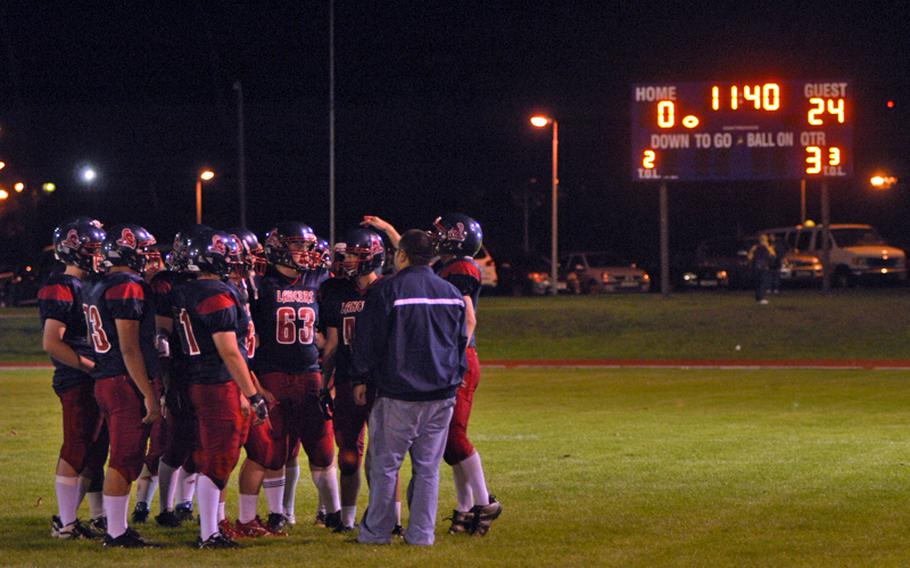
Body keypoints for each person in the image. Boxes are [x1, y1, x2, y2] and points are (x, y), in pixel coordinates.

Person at [353, 229, 467, 546]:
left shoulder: (388, 289)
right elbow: (462, 342)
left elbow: (369, 340)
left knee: (385, 467)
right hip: (441, 394)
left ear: (401, 255)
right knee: (427, 469)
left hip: (398, 393)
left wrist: (362, 377)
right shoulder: (450, 291)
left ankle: (376, 533)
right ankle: (421, 534)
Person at [172, 229, 268, 548]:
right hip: (215, 382)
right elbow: (229, 350)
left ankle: (212, 527)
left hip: (198, 380)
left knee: (214, 457)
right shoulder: (215, 292)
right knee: (218, 459)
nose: (234, 260)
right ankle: (209, 533)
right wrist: (253, 394)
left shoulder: (186, 290)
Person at [249, 222, 341, 533]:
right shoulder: (260, 284)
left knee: (323, 447)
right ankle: (277, 513)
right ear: (278, 248)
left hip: (309, 373)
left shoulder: (318, 279)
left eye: (307, 246)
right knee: (275, 449)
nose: (306, 252)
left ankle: (334, 512)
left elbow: (330, 333)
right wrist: (255, 383)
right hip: (272, 373)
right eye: (298, 246)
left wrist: (330, 376)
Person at [319, 227, 405, 533]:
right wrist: (323, 382)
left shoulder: (389, 288)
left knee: (384, 456)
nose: (349, 259)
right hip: (345, 379)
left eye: (357, 254)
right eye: (348, 254)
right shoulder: (334, 290)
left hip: (382, 383)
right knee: (348, 457)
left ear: (373, 257)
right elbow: (331, 343)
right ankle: (347, 519)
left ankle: (392, 520)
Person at [84, 224, 162, 547]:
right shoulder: (128, 285)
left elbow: (95, 339)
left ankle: (118, 527)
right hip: (122, 380)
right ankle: (116, 532)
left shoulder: (98, 284)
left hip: (105, 376)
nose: (150, 258)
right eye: (144, 251)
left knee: (122, 456)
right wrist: (148, 394)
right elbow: (129, 347)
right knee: (125, 457)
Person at [431, 214, 502, 535]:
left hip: (458, 357)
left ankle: (485, 501)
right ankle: (463, 509)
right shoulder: (445, 266)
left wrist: (454, 356)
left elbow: (468, 318)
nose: (436, 237)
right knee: (447, 440)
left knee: (455, 435)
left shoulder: (461, 268)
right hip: (450, 356)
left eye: (441, 233)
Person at [41, 217, 109, 539]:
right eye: (92, 249)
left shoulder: (92, 284)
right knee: (77, 446)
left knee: (96, 450)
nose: (99, 255)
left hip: (95, 374)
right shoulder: (62, 285)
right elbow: (52, 341)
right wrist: (88, 366)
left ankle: (98, 516)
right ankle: (65, 524)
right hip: (77, 376)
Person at [748, 234, 776, 304]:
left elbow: (750, 257)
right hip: (763, 267)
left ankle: (759, 298)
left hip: (757, 267)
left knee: (759, 283)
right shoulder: (767, 247)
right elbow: (773, 256)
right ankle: (761, 298)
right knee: (762, 283)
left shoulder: (755, 247)